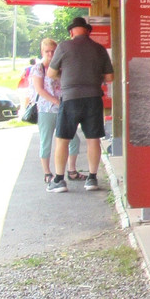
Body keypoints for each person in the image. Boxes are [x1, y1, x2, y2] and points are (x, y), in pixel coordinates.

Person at [46, 17, 114, 193]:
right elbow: (110, 78)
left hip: (70, 98)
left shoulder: (63, 47)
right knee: (93, 139)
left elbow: (51, 73)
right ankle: (92, 179)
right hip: (93, 98)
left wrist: (65, 77)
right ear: (88, 31)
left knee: (62, 138)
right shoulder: (99, 49)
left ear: (71, 32)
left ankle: (59, 180)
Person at [31, 38, 82, 184]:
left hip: (64, 109)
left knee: (74, 140)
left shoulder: (61, 67)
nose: (50, 54)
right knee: (46, 141)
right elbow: (39, 89)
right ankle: (47, 173)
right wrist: (56, 102)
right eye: (47, 51)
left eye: (53, 51)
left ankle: (71, 170)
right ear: (42, 52)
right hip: (46, 110)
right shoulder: (39, 68)